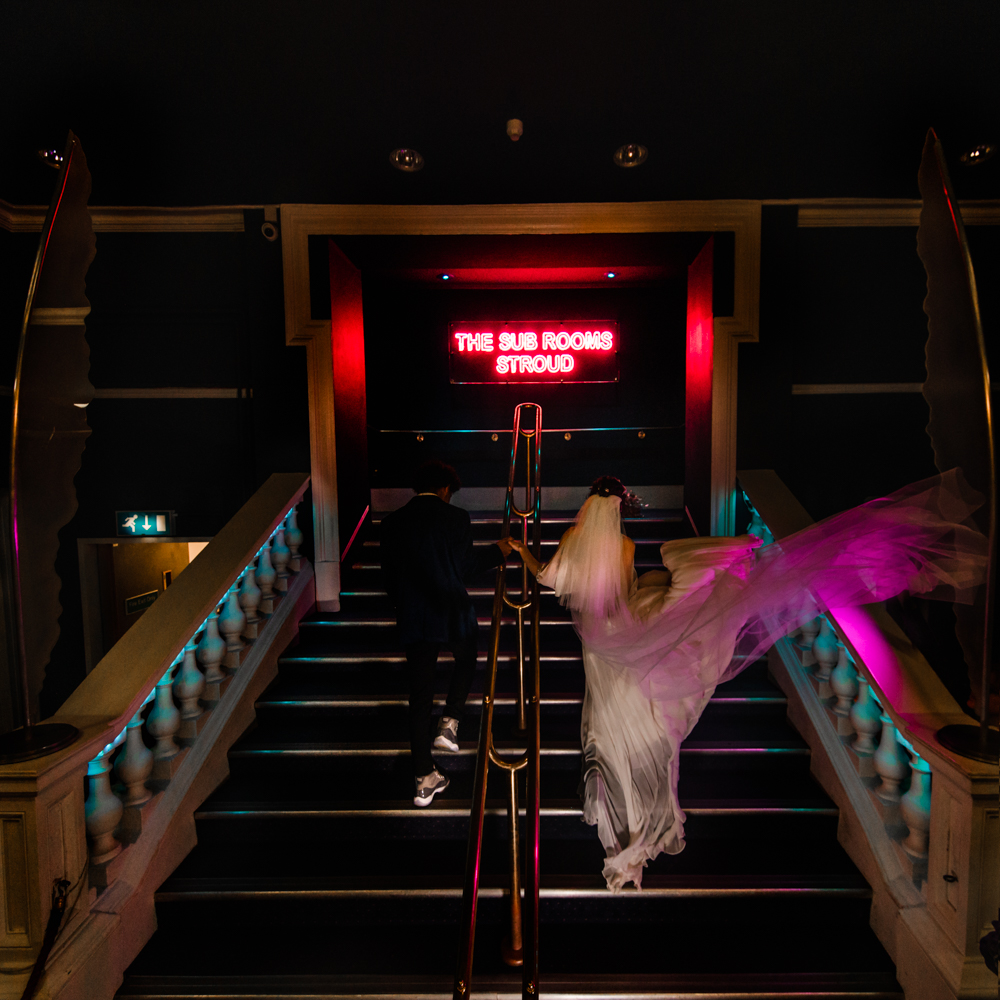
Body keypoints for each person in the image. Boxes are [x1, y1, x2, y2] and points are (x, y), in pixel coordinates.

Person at [510, 472, 986, 891]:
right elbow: (624, 591)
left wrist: (521, 554)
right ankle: (639, 823)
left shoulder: (574, 540)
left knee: (607, 729)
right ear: (618, 509)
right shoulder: (627, 546)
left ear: (588, 508)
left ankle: (623, 821)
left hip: (600, 648)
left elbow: (552, 581)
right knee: (642, 728)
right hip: (628, 640)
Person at [381, 460, 513, 807]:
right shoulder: (455, 517)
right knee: (467, 657)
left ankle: (424, 778)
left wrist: (404, 606)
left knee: (420, 695)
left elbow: (389, 578)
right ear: (444, 489)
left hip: (414, 616)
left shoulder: (392, 522)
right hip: (450, 609)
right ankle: (450, 721)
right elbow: (466, 567)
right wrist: (497, 552)